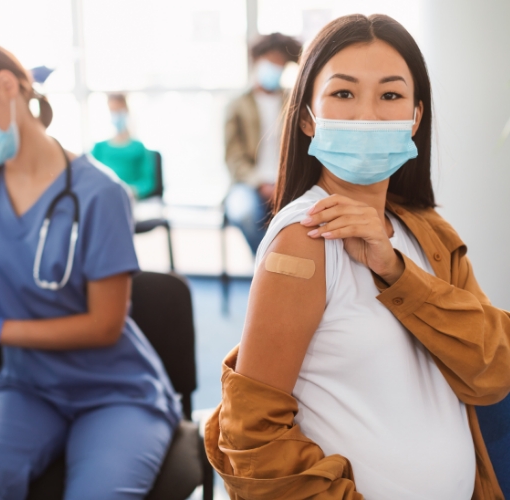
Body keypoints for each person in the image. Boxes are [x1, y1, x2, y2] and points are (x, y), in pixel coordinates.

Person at [206, 14, 510, 499]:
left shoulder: (428, 231)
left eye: (390, 95)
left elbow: (493, 371)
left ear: (415, 117)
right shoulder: (304, 239)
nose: (368, 114)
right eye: (343, 94)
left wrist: (396, 271)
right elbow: (252, 438)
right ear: (307, 116)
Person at [0, 38, 181, 499]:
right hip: (29, 387)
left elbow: (104, 326)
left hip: (115, 392)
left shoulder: (100, 193)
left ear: (7, 87)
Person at [224, 33, 302, 254]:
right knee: (245, 213)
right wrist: (260, 183)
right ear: (257, 60)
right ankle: (267, 269)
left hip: (287, 182)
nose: (275, 67)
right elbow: (233, 157)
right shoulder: (237, 105)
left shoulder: (294, 102)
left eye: (281, 63)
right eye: (271, 60)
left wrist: (284, 182)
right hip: (247, 183)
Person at [91, 93, 157, 200]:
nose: (116, 115)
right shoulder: (99, 148)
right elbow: (90, 179)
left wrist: (131, 191)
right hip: (105, 199)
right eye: (112, 111)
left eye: (119, 111)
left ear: (126, 112)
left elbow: (148, 182)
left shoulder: (138, 147)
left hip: (132, 201)